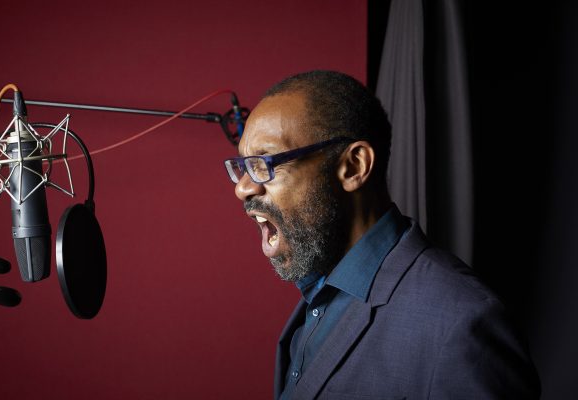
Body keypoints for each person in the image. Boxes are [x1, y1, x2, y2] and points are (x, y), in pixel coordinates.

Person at [224, 70, 540, 399]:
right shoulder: (318, 293)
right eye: (243, 166)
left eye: (263, 164)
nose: (242, 189)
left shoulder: (461, 322)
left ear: (354, 167)